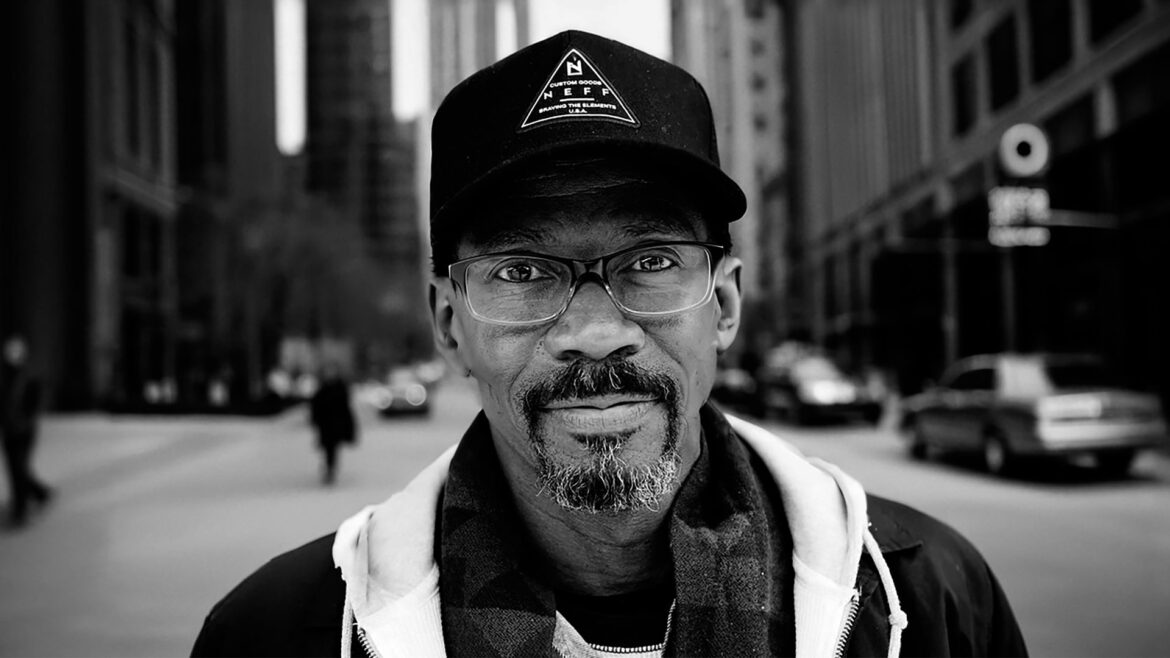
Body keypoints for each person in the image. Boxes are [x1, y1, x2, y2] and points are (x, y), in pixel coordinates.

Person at [192, 31, 1027, 657]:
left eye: (651, 261)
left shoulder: (931, 599)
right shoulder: (278, 633)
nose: (595, 334)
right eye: (523, 271)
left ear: (724, 304)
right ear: (451, 323)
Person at [1, 336, 52, 527]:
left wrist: (26, 420)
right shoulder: (5, 378)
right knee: (15, 468)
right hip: (9, 431)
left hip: (24, 431)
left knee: (19, 468)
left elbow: (34, 403)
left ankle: (20, 509)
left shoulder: (29, 377)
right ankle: (39, 493)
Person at [309, 364, 357, 485]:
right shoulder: (323, 390)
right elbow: (316, 406)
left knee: (332, 449)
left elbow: (345, 408)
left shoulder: (339, 389)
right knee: (328, 449)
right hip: (326, 426)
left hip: (335, 426)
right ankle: (329, 469)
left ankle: (330, 469)